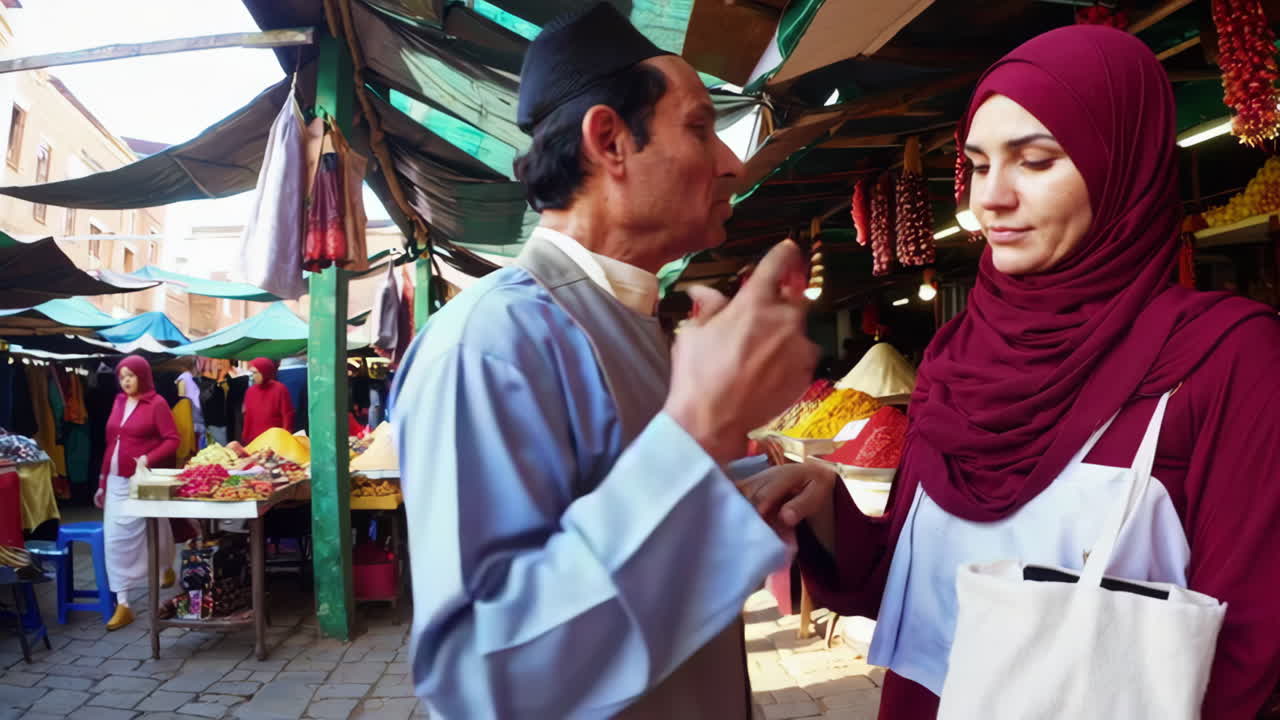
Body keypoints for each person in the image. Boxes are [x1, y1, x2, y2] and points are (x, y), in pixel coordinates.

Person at [750, 26, 1280, 718]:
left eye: (1034, 161)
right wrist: (825, 504)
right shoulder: (954, 358)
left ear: (1122, 168)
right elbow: (913, 585)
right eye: (977, 165)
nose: (988, 200)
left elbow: (1250, 645)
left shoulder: (1226, 359)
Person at [391, 4, 832, 717]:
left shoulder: (635, 320)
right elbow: (483, 681)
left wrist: (756, 485)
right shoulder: (491, 342)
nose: (732, 163)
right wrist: (700, 429)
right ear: (610, 141)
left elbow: (622, 504)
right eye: (700, 128)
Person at [96, 356, 180, 631]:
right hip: (116, 481)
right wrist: (102, 481)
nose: (126, 381)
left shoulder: (157, 404)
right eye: (122, 377)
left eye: (131, 376)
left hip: (143, 480)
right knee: (114, 539)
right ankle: (123, 603)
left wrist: (147, 458)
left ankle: (164, 566)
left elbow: (172, 440)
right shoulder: (118, 401)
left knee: (156, 526)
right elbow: (111, 442)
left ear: (142, 376)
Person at [240, 357, 295, 444]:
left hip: (275, 440)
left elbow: (287, 415)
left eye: (256, 373)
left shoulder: (280, 389)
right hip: (255, 440)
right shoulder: (250, 391)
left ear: (265, 371)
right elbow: (248, 417)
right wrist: (245, 438)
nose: (254, 376)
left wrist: (286, 437)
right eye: (252, 373)